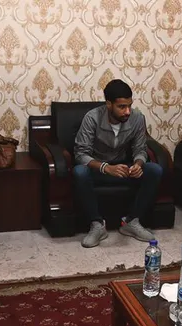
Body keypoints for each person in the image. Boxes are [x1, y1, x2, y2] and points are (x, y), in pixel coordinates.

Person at [73, 79, 163, 247]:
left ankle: (132, 221)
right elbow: (80, 154)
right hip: (98, 170)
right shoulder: (92, 118)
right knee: (79, 172)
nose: (127, 111)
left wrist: (138, 164)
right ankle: (97, 225)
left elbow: (140, 149)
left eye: (129, 105)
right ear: (109, 104)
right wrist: (105, 167)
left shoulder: (137, 118)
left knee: (154, 170)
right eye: (121, 107)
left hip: (123, 169)